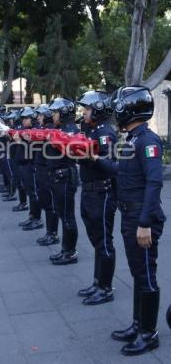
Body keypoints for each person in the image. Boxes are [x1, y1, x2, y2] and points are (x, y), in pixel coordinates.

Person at [98, 86, 165, 356]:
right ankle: (138, 324)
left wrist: (145, 222)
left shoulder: (148, 141)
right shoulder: (131, 139)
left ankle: (149, 334)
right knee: (138, 273)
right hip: (130, 214)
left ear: (131, 108)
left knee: (146, 274)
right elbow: (120, 172)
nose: (116, 111)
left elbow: (154, 181)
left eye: (120, 106)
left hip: (142, 217)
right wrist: (95, 159)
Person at [76, 91, 117, 305]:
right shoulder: (91, 130)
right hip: (90, 191)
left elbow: (111, 166)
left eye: (87, 109)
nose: (83, 112)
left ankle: (106, 287)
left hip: (101, 192)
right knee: (95, 239)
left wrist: (93, 157)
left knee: (103, 241)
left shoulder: (105, 133)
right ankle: (97, 282)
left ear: (98, 110)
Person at [46, 98, 79, 265]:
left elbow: (71, 150)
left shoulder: (70, 130)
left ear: (64, 112)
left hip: (64, 177)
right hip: (57, 177)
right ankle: (65, 249)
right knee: (62, 214)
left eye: (55, 112)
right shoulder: (59, 129)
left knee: (67, 216)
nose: (53, 115)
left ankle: (70, 251)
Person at [34, 104, 59, 246]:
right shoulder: (44, 130)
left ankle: (53, 233)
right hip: (41, 169)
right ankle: (50, 232)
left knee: (50, 205)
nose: (38, 118)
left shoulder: (51, 131)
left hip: (46, 170)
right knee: (45, 202)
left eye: (41, 115)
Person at [15, 107, 43, 231]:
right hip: (24, 165)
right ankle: (32, 216)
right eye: (23, 118)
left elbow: (33, 150)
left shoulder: (35, 131)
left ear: (32, 118)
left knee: (33, 193)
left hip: (31, 165)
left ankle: (37, 219)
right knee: (30, 193)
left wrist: (21, 141)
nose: (23, 121)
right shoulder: (25, 130)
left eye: (26, 118)